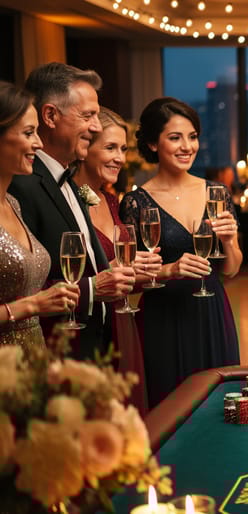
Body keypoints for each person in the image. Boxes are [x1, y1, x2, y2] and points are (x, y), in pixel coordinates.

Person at [120, 97, 242, 408]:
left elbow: (231, 269)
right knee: (168, 406)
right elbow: (131, 278)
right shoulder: (136, 203)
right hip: (163, 316)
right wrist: (170, 270)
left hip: (212, 311)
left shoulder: (216, 193)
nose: (187, 146)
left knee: (219, 404)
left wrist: (228, 241)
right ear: (152, 143)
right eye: (175, 138)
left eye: (192, 137)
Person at [9, 62, 134, 361]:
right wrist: (93, 289)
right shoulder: (21, 186)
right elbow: (22, 284)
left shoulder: (69, 179)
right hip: (54, 353)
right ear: (50, 116)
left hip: (95, 344)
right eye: (88, 115)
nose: (96, 126)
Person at [73, 106, 162, 414]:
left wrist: (148, 271)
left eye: (123, 149)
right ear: (84, 148)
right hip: (91, 328)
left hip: (123, 320)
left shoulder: (111, 200)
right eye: (110, 147)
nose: (120, 158)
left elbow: (121, 272)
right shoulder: (69, 204)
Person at [0, 81, 80, 348]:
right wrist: (32, 304)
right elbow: (29, 302)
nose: (39, 143)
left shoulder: (13, 203)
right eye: (29, 132)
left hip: (34, 358)